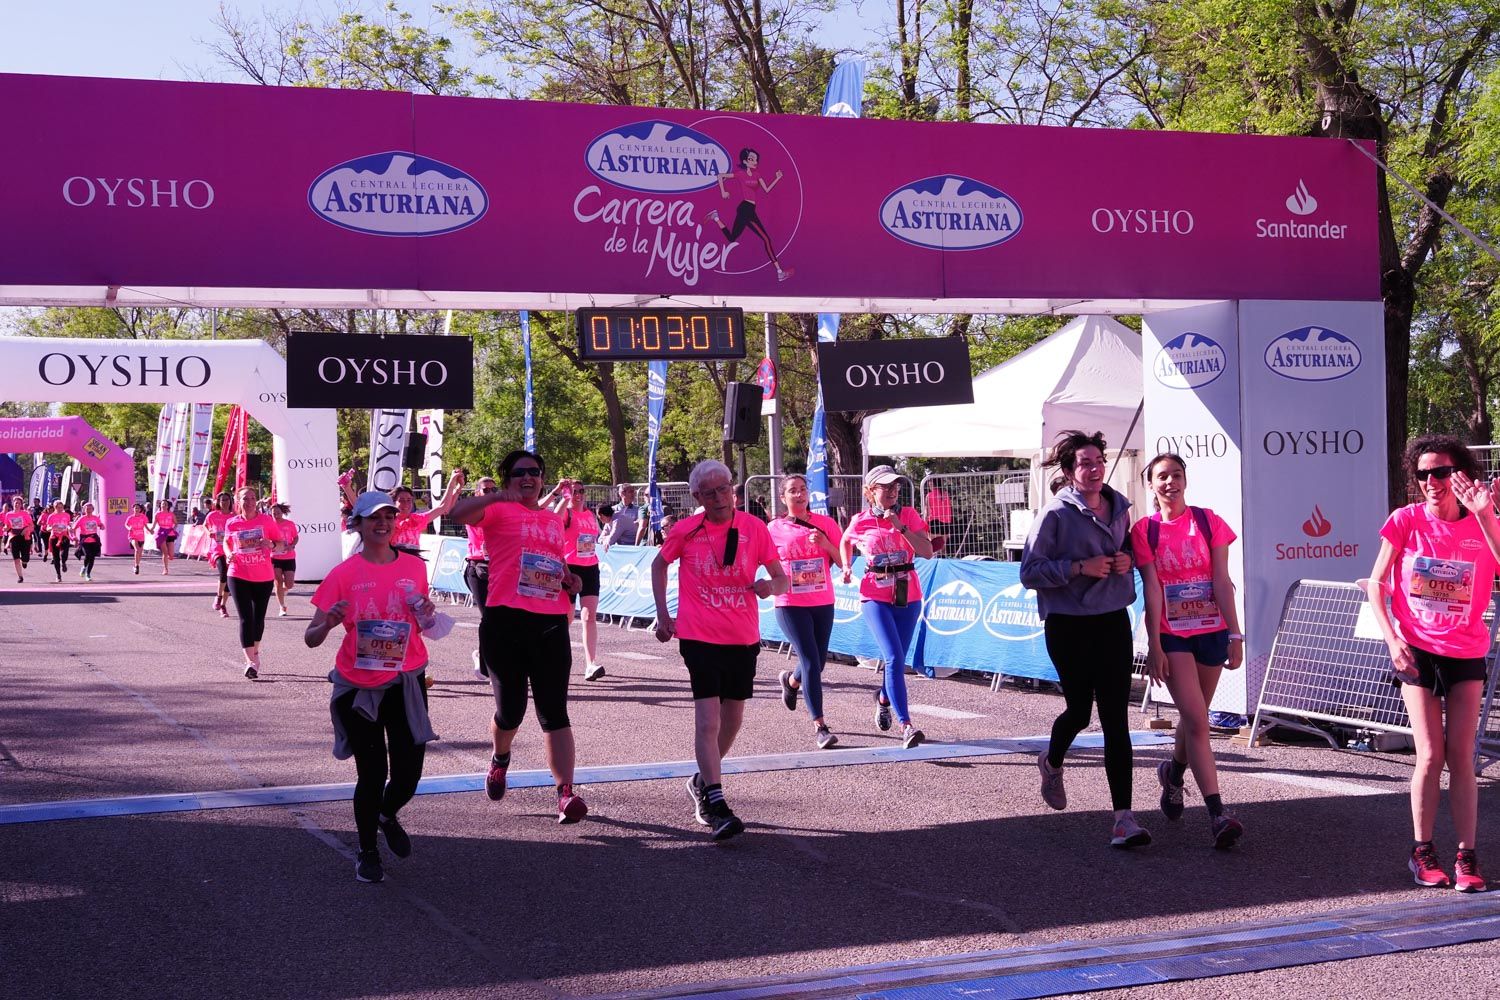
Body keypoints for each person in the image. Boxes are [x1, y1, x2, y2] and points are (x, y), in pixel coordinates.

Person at [1365, 435, 1500, 892]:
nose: (1431, 481)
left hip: (1466, 651)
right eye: (1422, 474)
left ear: (1459, 475)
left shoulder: (1482, 521)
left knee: (1462, 757)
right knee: (1430, 754)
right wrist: (1393, 642)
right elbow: (1376, 585)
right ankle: (1422, 851)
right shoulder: (1405, 520)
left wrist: (1485, 514)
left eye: (1440, 472)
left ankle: (1467, 856)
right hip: (1417, 649)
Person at [1021, 430, 1148, 848]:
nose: (1093, 470)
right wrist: (1079, 567)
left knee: (1116, 719)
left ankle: (1123, 820)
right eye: (1084, 464)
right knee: (1078, 712)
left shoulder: (1119, 508)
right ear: (1069, 471)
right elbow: (1029, 572)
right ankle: (1052, 761)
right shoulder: (1054, 514)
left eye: (1098, 461)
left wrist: (1126, 558)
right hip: (1068, 623)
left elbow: (1126, 549)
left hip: (1112, 618)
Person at [306, 490, 441, 884]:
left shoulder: (415, 568)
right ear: (358, 524)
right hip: (359, 686)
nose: (382, 523)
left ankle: (386, 813)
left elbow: (425, 624)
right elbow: (310, 638)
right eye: (373, 518)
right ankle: (366, 851)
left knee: (408, 774)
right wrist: (328, 624)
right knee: (371, 772)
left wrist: (428, 615)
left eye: (387, 516)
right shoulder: (342, 575)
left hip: (406, 681)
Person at [652, 460, 789, 840]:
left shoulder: (754, 528)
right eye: (709, 493)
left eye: (724, 489)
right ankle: (716, 801)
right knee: (708, 722)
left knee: (732, 722)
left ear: (734, 489)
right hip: (698, 635)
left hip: (742, 636)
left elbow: (782, 579)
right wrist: (664, 615)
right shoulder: (686, 530)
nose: (718, 498)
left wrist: (769, 586)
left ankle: (700, 781)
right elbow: (658, 565)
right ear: (697, 496)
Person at [451, 450, 589, 825]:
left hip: (549, 623)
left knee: (555, 712)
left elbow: (551, 559)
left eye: (534, 472)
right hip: (505, 622)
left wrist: (568, 578)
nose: (528, 477)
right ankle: (500, 758)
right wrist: (497, 496)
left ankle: (565, 794)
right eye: (519, 473)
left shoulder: (551, 518)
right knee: (511, 711)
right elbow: (456, 514)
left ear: (543, 478)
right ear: (507, 478)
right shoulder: (496, 510)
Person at [1131, 453, 1245, 849]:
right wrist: (1155, 645)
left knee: (1193, 718)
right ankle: (1217, 814)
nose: (1169, 483)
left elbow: (1221, 580)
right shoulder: (1144, 531)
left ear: (1185, 480)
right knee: (1198, 721)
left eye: (1176, 475)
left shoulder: (1208, 521)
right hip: (1173, 634)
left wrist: (1235, 634)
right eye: (1161, 477)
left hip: (1211, 631)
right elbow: (1151, 590)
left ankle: (1174, 773)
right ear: (1151, 485)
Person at [840, 464, 933, 750]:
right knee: (893, 658)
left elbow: (927, 552)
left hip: (907, 591)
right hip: (874, 594)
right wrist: (846, 566)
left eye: (896, 486)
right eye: (885, 487)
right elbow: (845, 540)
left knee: (899, 658)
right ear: (870, 492)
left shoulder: (908, 515)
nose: (893, 491)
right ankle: (907, 725)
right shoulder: (860, 520)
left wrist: (900, 527)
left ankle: (883, 698)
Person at [768, 475, 844, 749]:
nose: (799, 495)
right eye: (792, 491)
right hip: (789, 602)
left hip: (822, 600)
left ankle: (791, 681)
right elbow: (765, 560)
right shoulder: (773, 528)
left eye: (802, 490)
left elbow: (842, 559)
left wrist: (825, 544)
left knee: (818, 662)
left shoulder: (825, 524)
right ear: (783, 497)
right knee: (811, 661)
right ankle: (820, 727)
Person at [224, 486, 285, 679]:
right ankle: (250, 662)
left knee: (258, 619)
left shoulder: (267, 521)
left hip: (263, 576)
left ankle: (255, 653)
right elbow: (226, 542)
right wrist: (228, 554)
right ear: (238, 501)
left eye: (252, 498)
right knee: (245, 618)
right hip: (238, 573)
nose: (249, 502)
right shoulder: (232, 523)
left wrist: (272, 545)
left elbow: (281, 544)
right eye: (245, 499)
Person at [547, 478, 605, 680]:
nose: (578, 494)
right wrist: (564, 496)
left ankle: (590, 664)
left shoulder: (590, 514)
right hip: (569, 569)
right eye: (574, 491)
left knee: (589, 616)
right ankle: (549, 656)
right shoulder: (567, 513)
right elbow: (554, 518)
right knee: (567, 617)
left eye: (580, 491)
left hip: (591, 567)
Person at [708, 147, 793, 282]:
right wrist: (723, 191)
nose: (754, 161)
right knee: (766, 239)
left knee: (732, 238)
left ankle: (716, 217)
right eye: (751, 159)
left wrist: (777, 178)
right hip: (745, 209)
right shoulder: (740, 174)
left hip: (749, 209)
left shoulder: (757, 175)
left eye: (755, 159)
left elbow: (766, 189)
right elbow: (720, 176)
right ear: (745, 161)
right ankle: (779, 272)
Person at [463, 476, 497, 680]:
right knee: (489, 617)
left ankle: (485, 656)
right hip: (478, 568)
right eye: (486, 490)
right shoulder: (472, 512)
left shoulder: (502, 512)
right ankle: (484, 661)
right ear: (477, 494)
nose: (491, 493)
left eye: (494, 490)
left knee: (503, 619)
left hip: (499, 568)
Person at [390, 473, 465, 550]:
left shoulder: (417, 519)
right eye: (401, 500)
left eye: (409, 500)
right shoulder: (388, 522)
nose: (405, 504)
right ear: (394, 502)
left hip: (412, 560)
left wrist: (453, 484)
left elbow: (443, 508)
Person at [204, 491, 233, 618]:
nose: (225, 502)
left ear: (230, 501)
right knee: (223, 574)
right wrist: (208, 532)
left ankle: (223, 605)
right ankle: (219, 596)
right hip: (217, 549)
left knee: (229, 578)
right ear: (218, 502)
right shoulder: (212, 515)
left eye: (227, 499)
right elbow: (205, 526)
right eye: (222, 500)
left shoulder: (234, 516)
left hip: (231, 550)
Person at [270, 503, 299, 616]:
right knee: (278, 582)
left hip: (289, 556)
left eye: (278, 513)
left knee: (289, 584)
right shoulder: (269, 524)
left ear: (282, 512)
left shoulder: (289, 524)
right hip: (275, 557)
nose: (276, 515)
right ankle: (282, 607)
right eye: (274, 513)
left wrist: (292, 545)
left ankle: (284, 590)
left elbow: (296, 537)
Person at [599, 483, 640, 553]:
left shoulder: (638, 510)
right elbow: (602, 537)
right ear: (622, 494)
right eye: (630, 492)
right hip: (618, 548)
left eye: (634, 492)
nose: (633, 494)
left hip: (632, 548)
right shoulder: (613, 510)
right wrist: (606, 538)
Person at [4, 495, 35, 584]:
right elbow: (7, 525)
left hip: (24, 536)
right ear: (13, 503)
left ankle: (24, 561)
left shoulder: (25, 514)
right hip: (14, 536)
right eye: (15, 503)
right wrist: (5, 528)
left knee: (25, 558)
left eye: (19, 503)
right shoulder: (8, 514)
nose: (17, 504)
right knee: (16, 559)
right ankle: (20, 577)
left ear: (21, 505)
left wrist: (26, 529)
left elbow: (32, 525)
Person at [73, 501, 104, 582]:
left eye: (90, 508)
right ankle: (84, 567)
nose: (88, 510)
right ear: (84, 510)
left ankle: (88, 574)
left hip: (94, 539)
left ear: (93, 509)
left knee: (92, 557)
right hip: (85, 540)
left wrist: (102, 526)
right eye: (87, 508)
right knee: (88, 555)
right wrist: (74, 537)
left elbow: (100, 525)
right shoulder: (81, 518)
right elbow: (74, 528)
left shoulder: (96, 518)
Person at [42, 500, 71, 582]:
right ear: (55, 508)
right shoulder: (51, 516)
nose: (60, 509)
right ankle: (58, 575)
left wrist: (69, 528)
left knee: (64, 554)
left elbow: (68, 524)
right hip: (54, 537)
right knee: (56, 557)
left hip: (64, 536)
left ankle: (64, 562)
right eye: (58, 507)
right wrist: (52, 528)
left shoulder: (67, 515)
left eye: (61, 507)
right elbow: (47, 528)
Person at [154, 499, 178, 575]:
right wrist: (150, 530)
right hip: (161, 533)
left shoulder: (171, 514)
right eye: (162, 504)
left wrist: (173, 529)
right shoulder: (157, 514)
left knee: (171, 555)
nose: (164, 505)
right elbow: (154, 524)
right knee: (165, 552)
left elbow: (176, 523)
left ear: (168, 506)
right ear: (160, 505)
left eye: (166, 504)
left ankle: (169, 557)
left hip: (170, 533)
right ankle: (165, 569)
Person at [125, 502, 150, 575]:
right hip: (132, 536)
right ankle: (136, 566)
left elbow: (145, 525)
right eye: (135, 508)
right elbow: (126, 524)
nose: (136, 509)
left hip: (141, 537)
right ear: (133, 509)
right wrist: (129, 528)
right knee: (137, 549)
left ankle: (136, 564)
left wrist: (150, 530)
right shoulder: (130, 517)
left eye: (138, 508)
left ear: (140, 509)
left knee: (140, 553)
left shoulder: (143, 517)